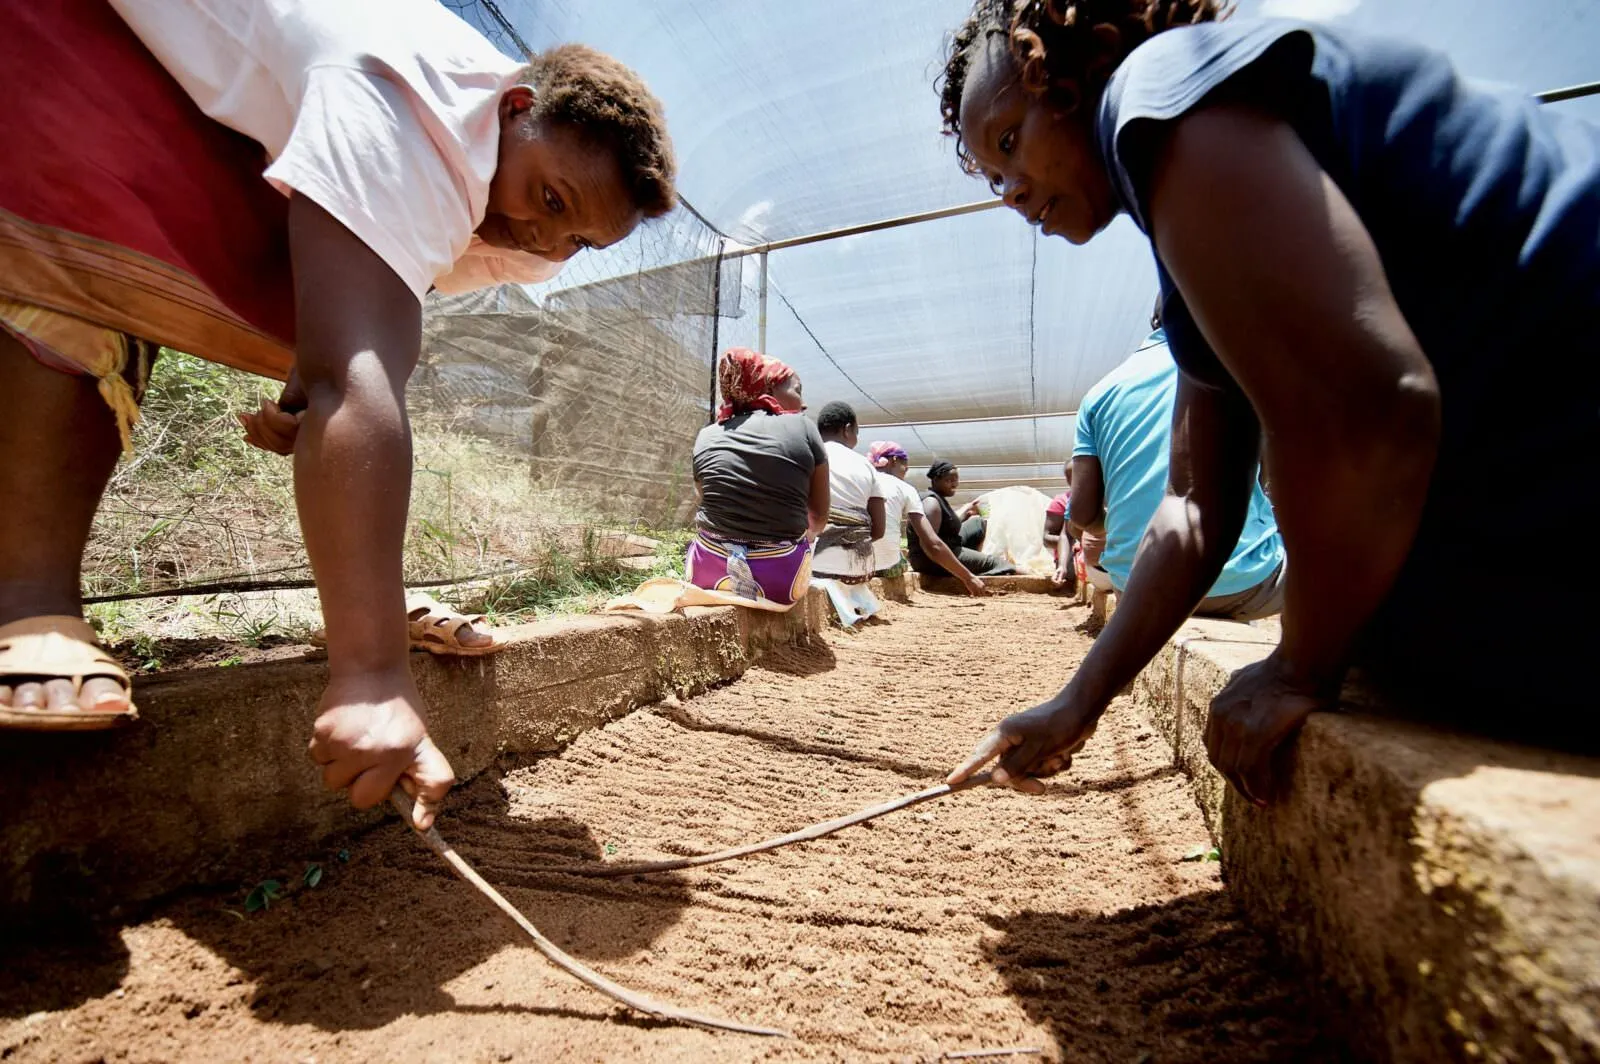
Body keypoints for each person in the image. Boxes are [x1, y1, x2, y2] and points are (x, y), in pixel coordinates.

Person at [0, 0, 675, 830]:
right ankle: (21, 599)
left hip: (205, 108)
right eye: (550, 198)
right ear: (514, 108)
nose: (544, 238)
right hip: (71, 29)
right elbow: (357, 383)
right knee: (76, 247)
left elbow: (357, 307)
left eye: (578, 240)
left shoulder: (492, 195)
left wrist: (305, 387)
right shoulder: (417, 113)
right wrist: (373, 675)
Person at [939, 0, 1600, 804]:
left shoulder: (1165, 94)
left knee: (1391, 646)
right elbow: (1194, 509)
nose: (1009, 190)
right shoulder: (1193, 223)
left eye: (1010, 141)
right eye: (991, 173)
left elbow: (1362, 411)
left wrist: (1299, 665)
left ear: (1085, 71)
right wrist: (1079, 703)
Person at [1072, 318, 1285, 621]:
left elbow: (1081, 516)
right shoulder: (1239, 367)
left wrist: (1130, 524)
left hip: (1134, 585)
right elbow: (1267, 475)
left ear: (1154, 319)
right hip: (1245, 581)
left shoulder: (1098, 394)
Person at [688, 349, 827, 605]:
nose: (803, 402)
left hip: (707, 571)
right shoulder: (804, 427)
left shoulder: (706, 434)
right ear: (769, 388)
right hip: (781, 579)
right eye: (797, 390)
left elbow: (703, 498)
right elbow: (818, 517)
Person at [870, 441, 988, 596]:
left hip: (859, 562)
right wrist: (968, 578)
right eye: (905, 466)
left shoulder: (862, 480)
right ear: (894, 461)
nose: (906, 470)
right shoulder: (909, 490)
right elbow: (932, 544)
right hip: (888, 565)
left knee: (977, 523)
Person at [810, 402, 886, 582]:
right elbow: (879, 530)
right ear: (847, 429)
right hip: (857, 569)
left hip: (812, 566)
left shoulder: (808, 457)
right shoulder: (866, 466)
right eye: (856, 432)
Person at [908, 461, 1016, 579]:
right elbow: (932, 547)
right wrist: (968, 577)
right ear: (935, 480)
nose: (954, 484)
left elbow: (945, 529)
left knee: (977, 523)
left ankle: (975, 558)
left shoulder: (938, 498)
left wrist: (967, 513)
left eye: (956, 480)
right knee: (998, 564)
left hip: (946, 546)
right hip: (932, 561)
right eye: (949, 480)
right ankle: (1014, 569)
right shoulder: (931, 503)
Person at [1042, 460, 1075, 588]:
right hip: (1068, 559)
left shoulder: (1102, 498)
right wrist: (1074, 544)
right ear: (1068, 480)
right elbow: (1046, 538)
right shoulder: (1062, 502)